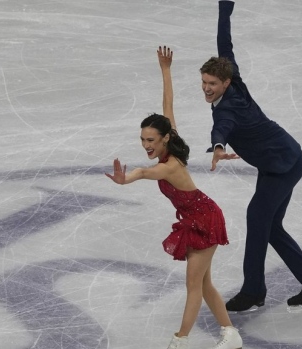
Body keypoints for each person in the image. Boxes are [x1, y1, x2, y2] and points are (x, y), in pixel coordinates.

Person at [105, 46, 243, 349]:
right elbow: (168, 103)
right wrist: (166, 70)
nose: (146, 145)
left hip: (205, 218)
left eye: (150, 140)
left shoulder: (169, 166)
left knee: (194, 285)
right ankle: (230, 334)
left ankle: (180, 340)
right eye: (142, 139)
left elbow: (142, 173)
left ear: (164, 138)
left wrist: (123, 179)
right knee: (204, 284)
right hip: (196, 216)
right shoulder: (172, 137)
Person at [199, 0, 302, 313]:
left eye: (212, 84)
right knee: (270, 226)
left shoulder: (228, 109)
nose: (206, 89)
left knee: (258, 218)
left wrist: (218, 147)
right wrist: (225, 8)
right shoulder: (234, 79)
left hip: (283, 165)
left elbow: (222, 127)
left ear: (225, 83)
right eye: (204, 82)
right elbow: (224, 44)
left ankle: (253, 290)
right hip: (280, 158)